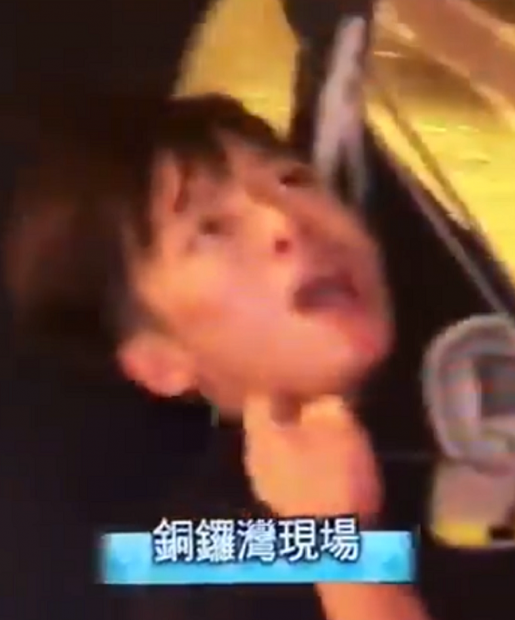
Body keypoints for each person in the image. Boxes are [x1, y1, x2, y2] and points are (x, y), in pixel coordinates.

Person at [4, 92, 432, 620]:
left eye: (293, 180)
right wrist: (334, 540)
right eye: (210, 228)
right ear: (160, 362)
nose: (286, 222)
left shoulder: (473, 338)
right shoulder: (195, 562)